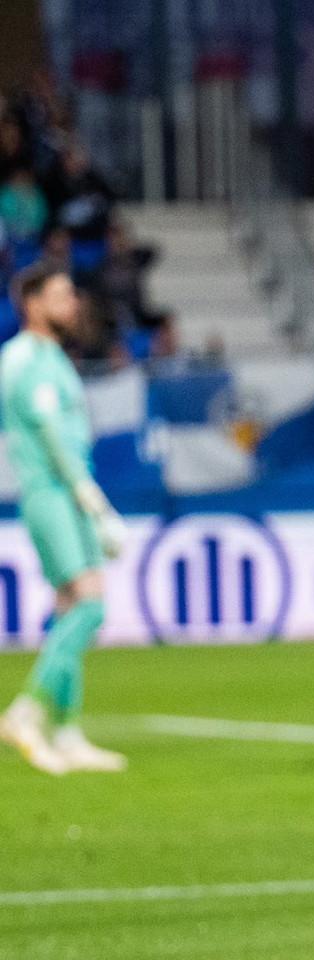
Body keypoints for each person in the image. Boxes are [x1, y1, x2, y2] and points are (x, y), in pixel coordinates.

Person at [0, 262, 127, 775]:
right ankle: (25, 713)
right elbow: (50, 434)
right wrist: (87, 496)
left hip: (67, 494)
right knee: (91, 608)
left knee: (70, 608)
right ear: (33, 303)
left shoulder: (52, 356)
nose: (71, 304)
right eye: (59, 295)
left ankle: (68, 733)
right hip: (53, 495)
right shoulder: (22, 358)